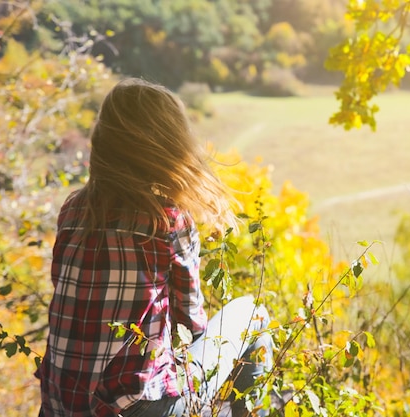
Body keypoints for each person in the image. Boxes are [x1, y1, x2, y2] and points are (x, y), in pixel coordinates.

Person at [36, 78, 273, 417]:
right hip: (136, 407)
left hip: (59, 405)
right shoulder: (167, 221)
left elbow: (62, 287)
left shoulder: (73, 210)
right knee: (253, 313)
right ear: (166, 148)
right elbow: (192, 327)